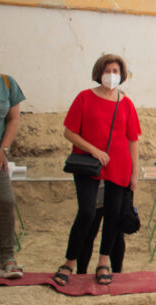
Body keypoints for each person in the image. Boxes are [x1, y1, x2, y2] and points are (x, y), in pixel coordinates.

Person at [53, 54, 141, 287]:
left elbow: (133, 140)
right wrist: (94, 150)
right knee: (87, 213)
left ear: (121, 75)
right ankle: (69, 262)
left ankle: (104, 262)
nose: (112, 75)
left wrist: (134, 174)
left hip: (120, 165)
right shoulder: (84, 98)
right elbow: (69, 132)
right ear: (99, 72)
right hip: (88, 164)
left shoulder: (127, 103)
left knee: (112, 216)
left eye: (116, 71)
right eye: (108, 70)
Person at [0, 41, 25, 279]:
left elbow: (13, 119)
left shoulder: (6, 83)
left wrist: (3, 148)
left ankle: (7, 258)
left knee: (5, 203)